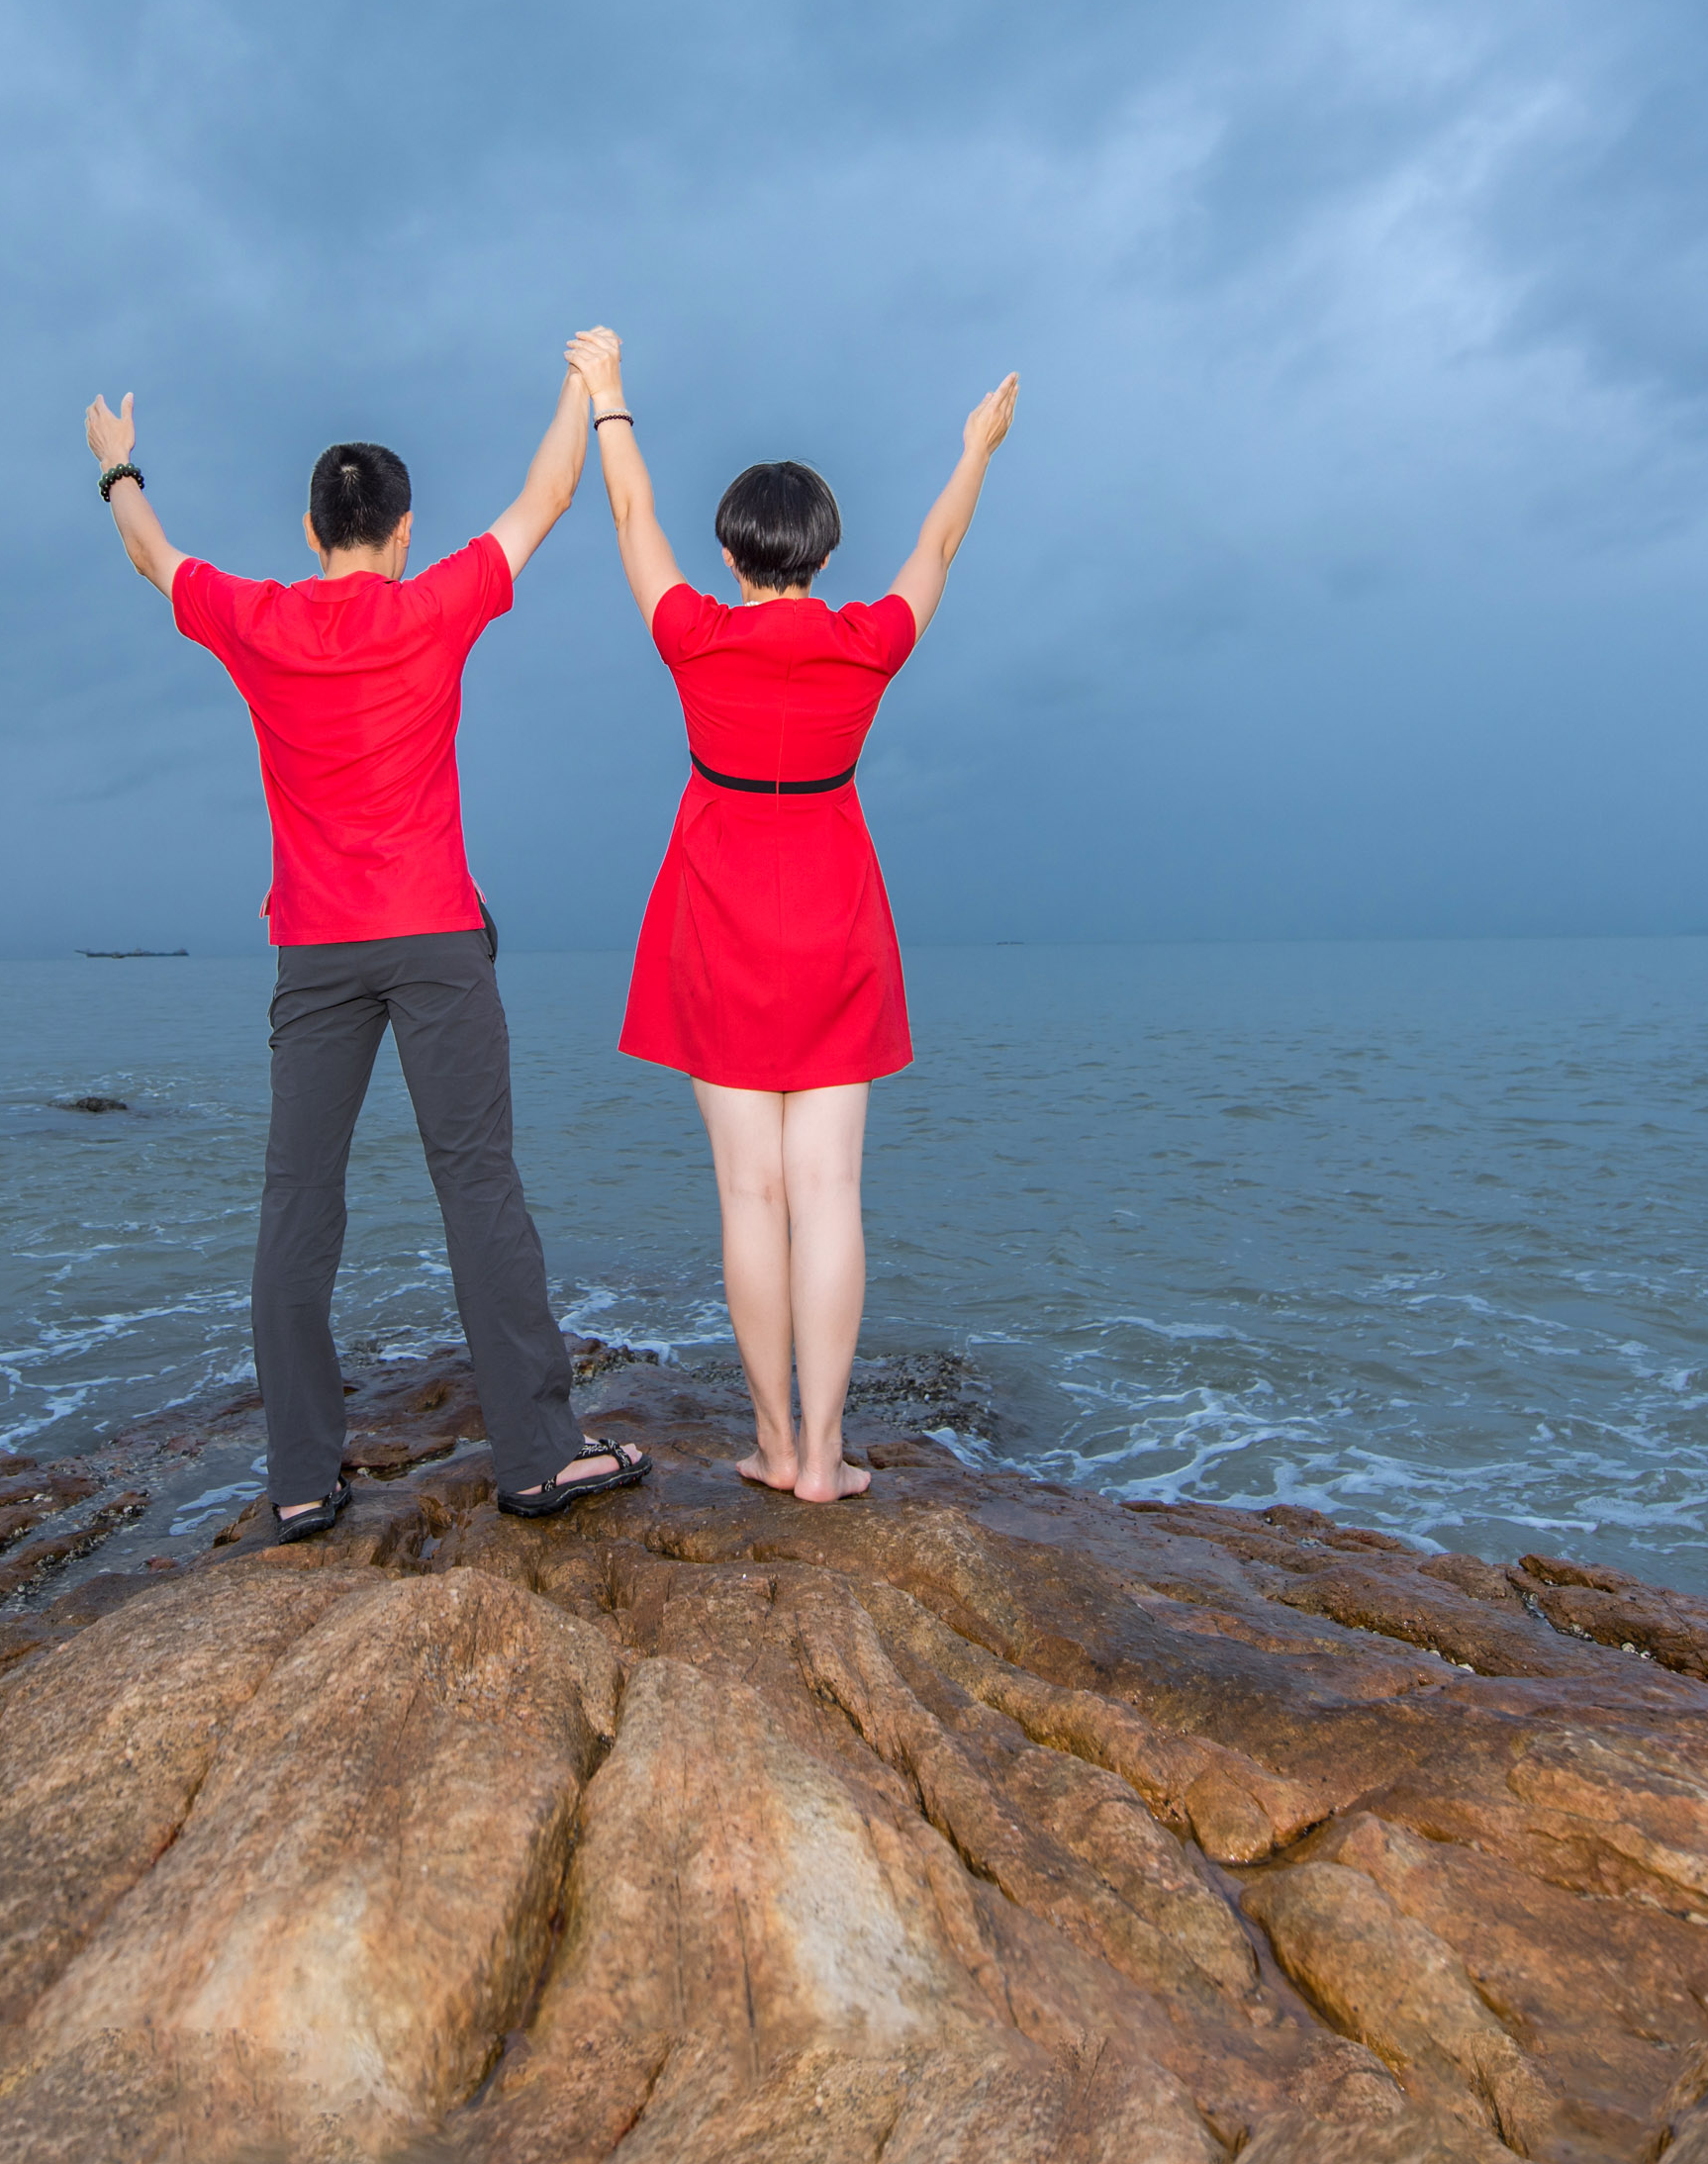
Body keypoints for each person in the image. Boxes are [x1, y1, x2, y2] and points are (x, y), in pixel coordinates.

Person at [87, 364, 653, 1542]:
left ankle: (300, 1476)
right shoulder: (433, 603)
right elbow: (548, 499)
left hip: (315, 950)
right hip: (437, 936)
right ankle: (542, 1459)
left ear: (309, 531)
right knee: (478, 1186)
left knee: (300, 1200)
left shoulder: (260, 617)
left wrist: (114, 461)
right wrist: (584, 384)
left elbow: (152, 552)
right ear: (403, 533)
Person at [575, 329, 1019, 1499]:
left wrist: (611, 397)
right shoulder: (866, 644)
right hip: (834, 917)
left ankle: (773, 1445)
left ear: (734, 550)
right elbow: (939, 544)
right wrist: (977, 447)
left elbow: (629, 518)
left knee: (748, 1195)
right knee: (830, 1194)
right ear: (824, 553)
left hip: (720, 915)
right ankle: (827, 1455)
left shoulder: (696, 636)